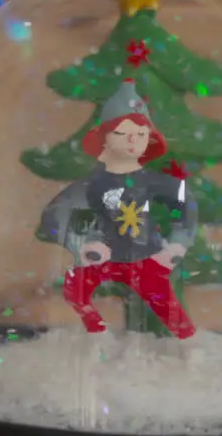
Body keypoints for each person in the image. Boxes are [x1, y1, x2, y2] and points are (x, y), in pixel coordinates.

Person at [38, 78, 198, 339]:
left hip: (147, 257)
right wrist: (82, 244)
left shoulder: (153, 181)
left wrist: (177, 243)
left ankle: (189, 347)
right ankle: (97, 333)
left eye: (141, 135)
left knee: (169, 310)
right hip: (105, 257)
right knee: (75, 290)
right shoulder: (93, 184)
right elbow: (56, 214)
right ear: (105, 138)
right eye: (123, 134)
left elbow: (183, 202)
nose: (133, 141)